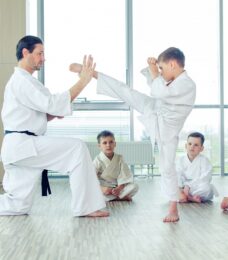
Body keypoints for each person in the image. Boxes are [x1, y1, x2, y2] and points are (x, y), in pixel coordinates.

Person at [70, 47, 196, 222]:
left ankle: (173, 209)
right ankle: (91, 74)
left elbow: (158, 91)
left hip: (167, 128)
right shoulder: (172, 81)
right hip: (156, 111)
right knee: (127, 92)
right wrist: (155, 73)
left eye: (162, 68)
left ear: (173, 64)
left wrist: (154, 74)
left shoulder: (187, 83)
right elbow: (158, 91)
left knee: (167, 167)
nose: (160, 72)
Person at [0, 35, 109, 218]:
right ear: (25, 52)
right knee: (77, 149)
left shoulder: (23, 81)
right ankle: (86, 206)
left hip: (19, 147)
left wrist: (53, 112)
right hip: (24, 145)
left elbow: (43, 112)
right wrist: (83, 81)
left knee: (17, 205)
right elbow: (51, 103)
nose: (43, 58)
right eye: (39, 53)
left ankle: (86, 206)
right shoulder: (22, 80)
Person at [93, 130, 138, 201]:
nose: (108, 145)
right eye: (104, 143)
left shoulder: (119, 158)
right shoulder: (97, 160)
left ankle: (115, 197)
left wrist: (119, 188)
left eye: (111, 142)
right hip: (104, 188)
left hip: (117, 187)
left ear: (115, 144)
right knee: (94, 192)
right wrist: (102, 189)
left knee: (134, 186)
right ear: (99, 146)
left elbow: (124, 176)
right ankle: (120, 197)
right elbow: (92, 178)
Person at [177, 132, 218, 203]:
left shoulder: (204, 160)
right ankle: (190, 197)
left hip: (196, 187)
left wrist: (189, 185)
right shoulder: (180, 160)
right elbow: (178, 175)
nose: (192, 147)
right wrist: (183, 187)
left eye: (196, 145)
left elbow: (206, 177)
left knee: (207, 188)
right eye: (190, 144)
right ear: (186, 146)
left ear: (201, 148)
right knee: (169, 186)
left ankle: (186, 197)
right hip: (183, 188)